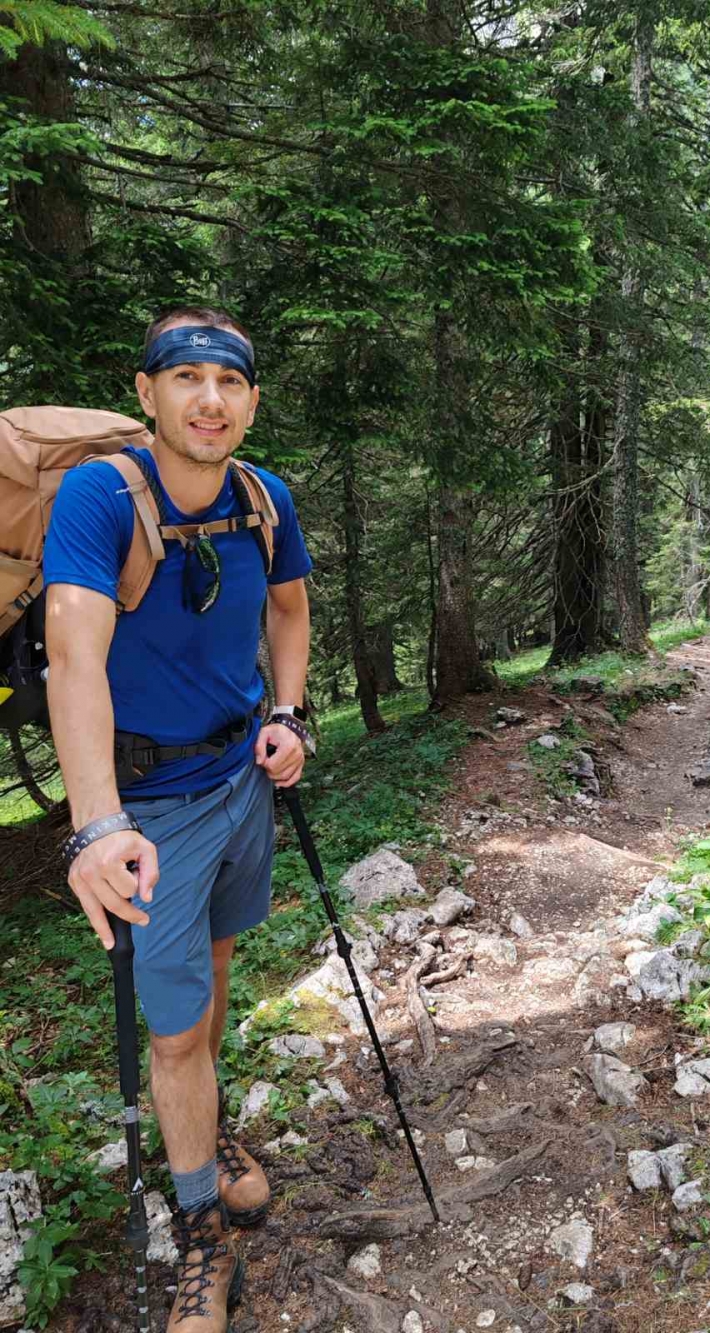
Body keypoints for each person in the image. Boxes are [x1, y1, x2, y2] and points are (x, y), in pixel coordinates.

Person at [44, 306, 313, 1329]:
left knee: (217, 973)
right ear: (146, 392)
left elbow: (288, 609)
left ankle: (207, 1126)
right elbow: (73, 655)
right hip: (150, 813)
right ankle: (202, 1230)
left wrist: (290, 714)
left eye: (229, 381)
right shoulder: (100, 496)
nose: (210, 399)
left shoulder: (263, 497)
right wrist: (98, 823)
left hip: (241, 779)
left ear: (252, 399)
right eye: (187, 377)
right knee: (173, 1032)